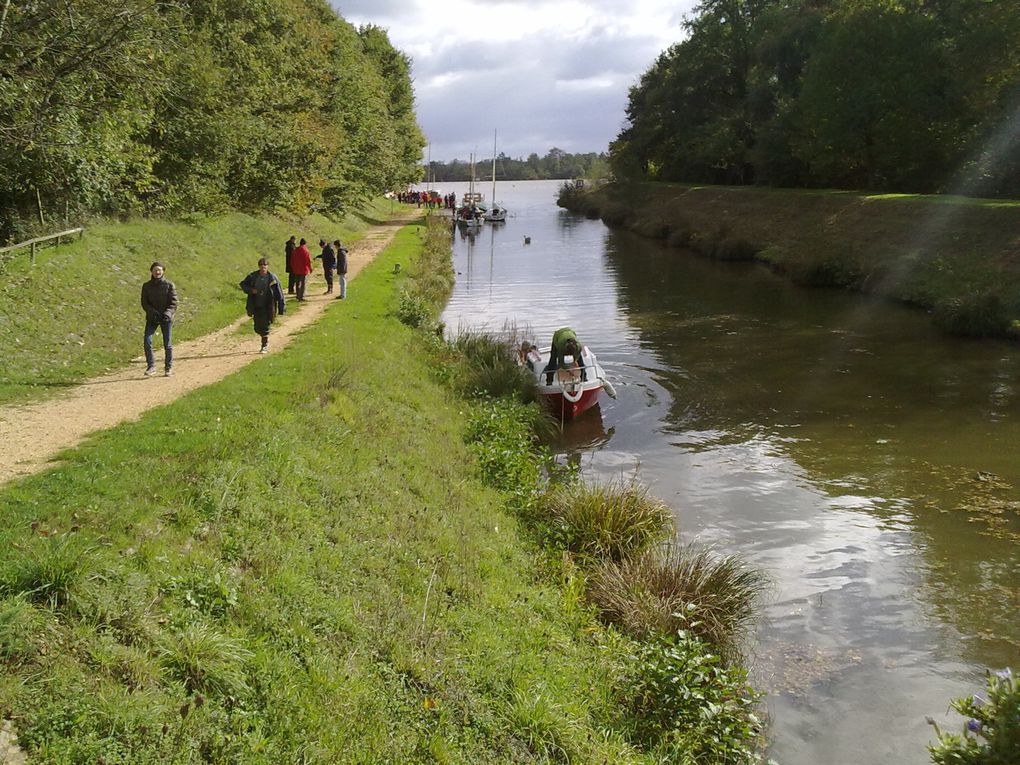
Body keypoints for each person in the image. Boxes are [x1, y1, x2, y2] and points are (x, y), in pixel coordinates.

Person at [239, 257, 286, 353]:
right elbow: (243, 284)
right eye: (261, 265)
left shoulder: (272, 278)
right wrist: (252, 290)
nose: (263, 267)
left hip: (268, 305)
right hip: (255, 304)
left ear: (267, 266)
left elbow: (279, 293)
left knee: (265, 326)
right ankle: (262, 336)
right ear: (259, 266)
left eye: (265, 265)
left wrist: (281, 307)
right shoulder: (253, 276)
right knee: (257, 327)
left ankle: (264, 345)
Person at [140, 261, 178, 377]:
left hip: (166, 318)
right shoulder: (146, 286)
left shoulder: (169, 285)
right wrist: (152, 312)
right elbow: (144, 302)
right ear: (151, 271)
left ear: (163, 272)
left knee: (168, 344)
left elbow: (174, 302)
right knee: (147, 341)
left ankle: (168, 368)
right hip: (152, 318)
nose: (157, 272)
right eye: (155, 270)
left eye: (159, 270)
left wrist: (167, 313)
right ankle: (151, 367)